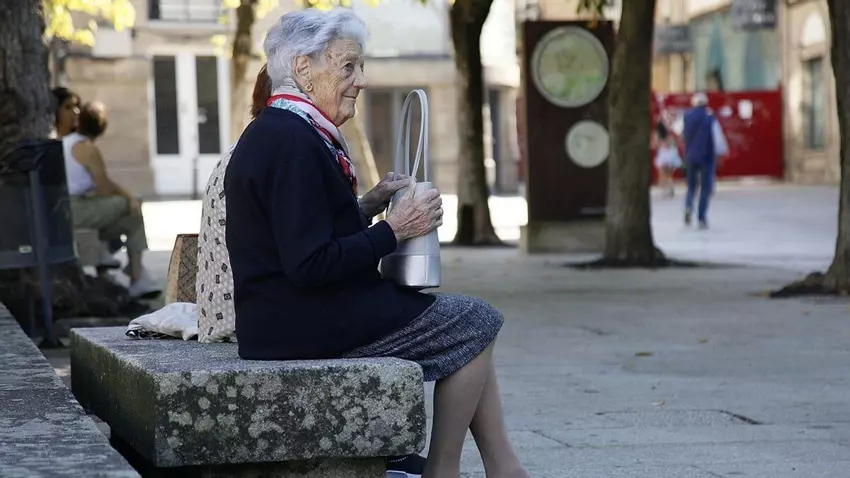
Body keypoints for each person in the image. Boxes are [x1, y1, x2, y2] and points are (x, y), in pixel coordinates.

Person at [224, 9, 528, 478]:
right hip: (299, 322)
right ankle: (445, 469)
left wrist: (367, 206)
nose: (361, 80)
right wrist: (394, 230)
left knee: (467, 324)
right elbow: (310, 263)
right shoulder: (293, 142)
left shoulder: (282, 130)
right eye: (348, 66)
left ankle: (502, 466)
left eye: (360, 67)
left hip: (285, 316)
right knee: (475, 321)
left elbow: (301, 230)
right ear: (304, 69)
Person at [59, 100, 160, 298]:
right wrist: (129, 197)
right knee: (132, 205)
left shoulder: (66, 143)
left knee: (131, 221)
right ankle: (136, 275)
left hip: (69, 208)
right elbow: (104, 187)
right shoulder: (87, 148)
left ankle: (134, 272)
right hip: (78, 208)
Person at [682, 93, 729, 229]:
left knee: (691, 186)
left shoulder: (686, 117)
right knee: (705, 188)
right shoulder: (709, 118)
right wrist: (721, 153)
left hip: (690, 157)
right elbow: (717, 138)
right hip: (706, 157)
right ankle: (701, 217)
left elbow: (681, 133)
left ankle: (688, 207)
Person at [653, 120, 681, 198]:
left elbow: (656, 145)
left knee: (663, 174)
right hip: (671, 155)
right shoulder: (669, 135)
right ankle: (670, 189)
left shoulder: (657, 134)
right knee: (669, 174)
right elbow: (674, 143)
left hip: (663, 155)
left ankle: (665, 190)